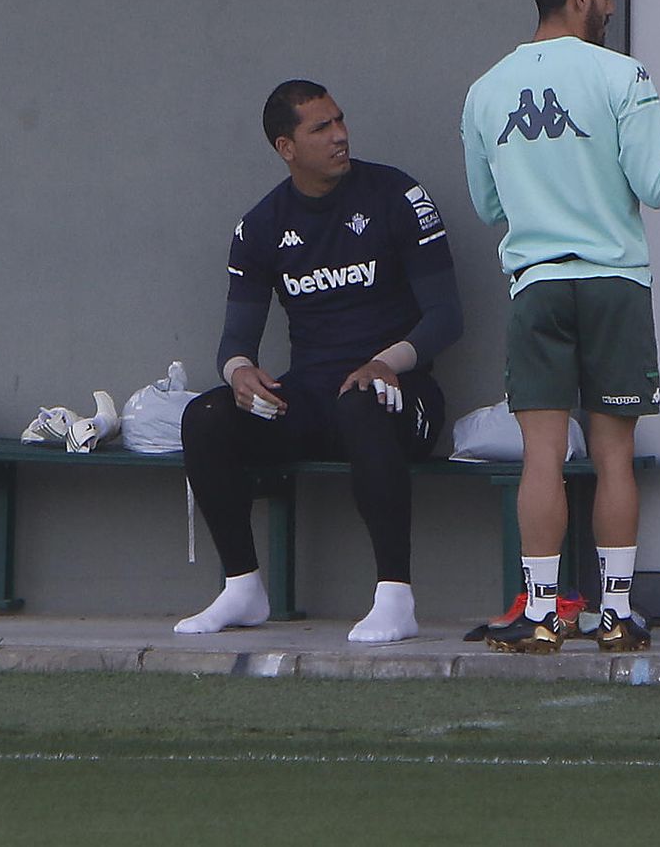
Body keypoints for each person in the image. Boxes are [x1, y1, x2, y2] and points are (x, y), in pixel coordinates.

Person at [461, 0, 660, 653]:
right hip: (613, 283)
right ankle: (615, 614)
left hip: (537, 286)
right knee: (614, 455)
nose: (611, 8)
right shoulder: (623, 75)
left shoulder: (486, 89)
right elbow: (657, 186)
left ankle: (543, 612)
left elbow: (488, 205)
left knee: (541, 457)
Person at [176, 80, 463, 644]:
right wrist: (239, 373)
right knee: (204, 416)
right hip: (313, 400)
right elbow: (235, 339)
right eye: (321, 128)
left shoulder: (395, 194)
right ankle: (243, 588)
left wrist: (386, 362)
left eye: (339, 121)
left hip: (401, 396)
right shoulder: (261, 225)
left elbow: (447, 318)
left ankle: (395, 597)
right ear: (287, 148)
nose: (340, 136)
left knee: (361, 402)